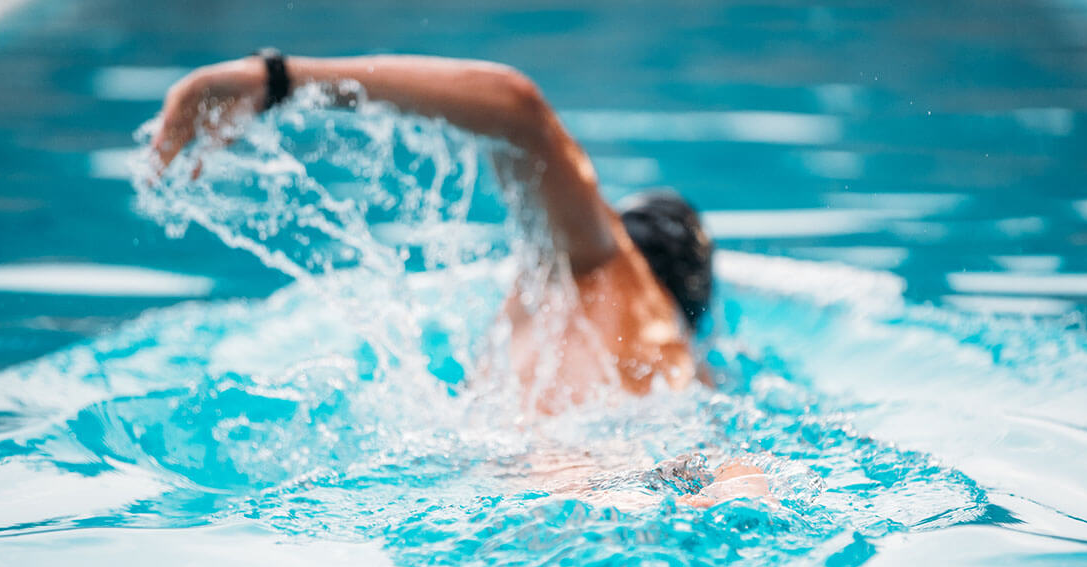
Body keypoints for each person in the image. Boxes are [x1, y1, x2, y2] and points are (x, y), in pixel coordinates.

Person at [153, 52, 768, 505]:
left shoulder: (588, 270)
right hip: (670, 475)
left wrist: (276, 79)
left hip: (553, 481)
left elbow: (519, 107)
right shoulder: (687, 363)